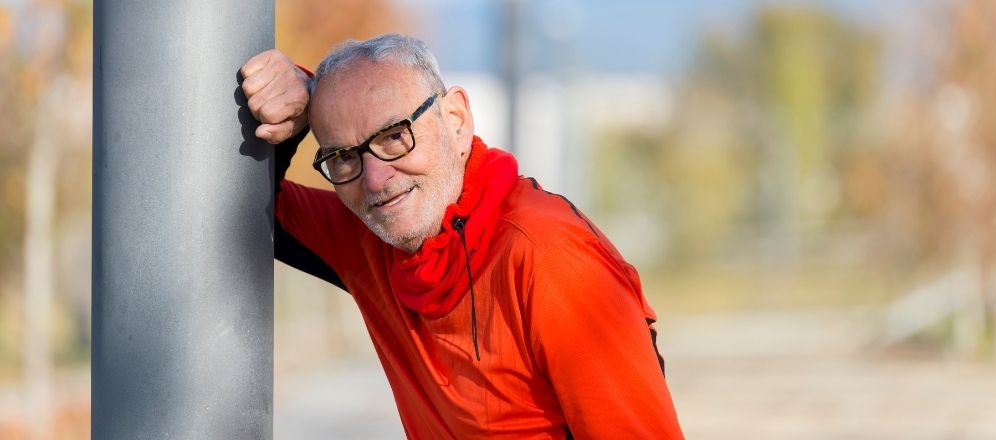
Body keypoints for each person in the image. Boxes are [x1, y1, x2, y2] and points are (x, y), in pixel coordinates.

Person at [241, 33, 684, 439]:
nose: (375, 178)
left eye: (395, 137)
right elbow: (241, 213)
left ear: (455, 120)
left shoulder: (552, 260)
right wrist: (293, 105)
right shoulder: (371, 235)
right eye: (341, 156)